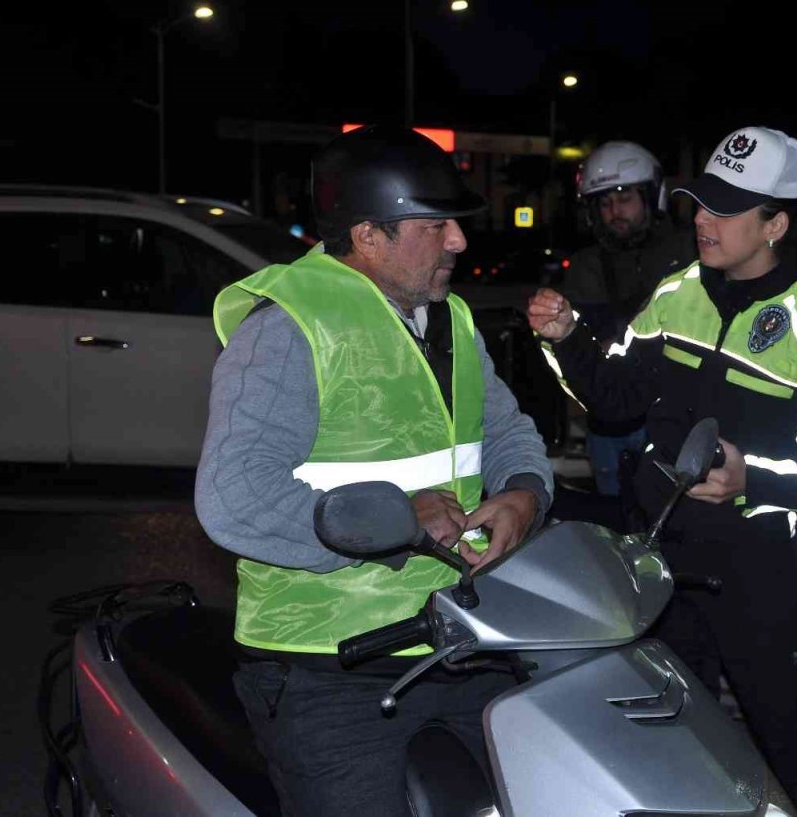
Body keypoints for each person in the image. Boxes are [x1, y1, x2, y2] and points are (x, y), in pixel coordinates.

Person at [195, 126, 553, 816]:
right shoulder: (288, 328)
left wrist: (523, 494)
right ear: (367, 235)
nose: (459, 241)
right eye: (436, 226)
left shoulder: (447, 318)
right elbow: (233, 496)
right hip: (329, 668)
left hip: (462, 639)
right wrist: (395, 519)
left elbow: (507, 431)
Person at [529, 125, 797, 815]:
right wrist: (567, 338)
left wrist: (756, 480)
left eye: (726, 209)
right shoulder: (676, 292)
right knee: (682, 748)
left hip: (758, 573)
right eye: (701, 203)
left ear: (775, 225)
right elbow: (615, 398)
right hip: (663, 565)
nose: (702, 220)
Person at [564, 140, 693, 496]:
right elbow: (584, 346)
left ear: (652, 197)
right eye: (604, 203)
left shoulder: (689, 253)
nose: (614, 212)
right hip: (610, 424)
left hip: (677, 416)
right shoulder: (586, 266)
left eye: (624, 198)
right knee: (614, 518)